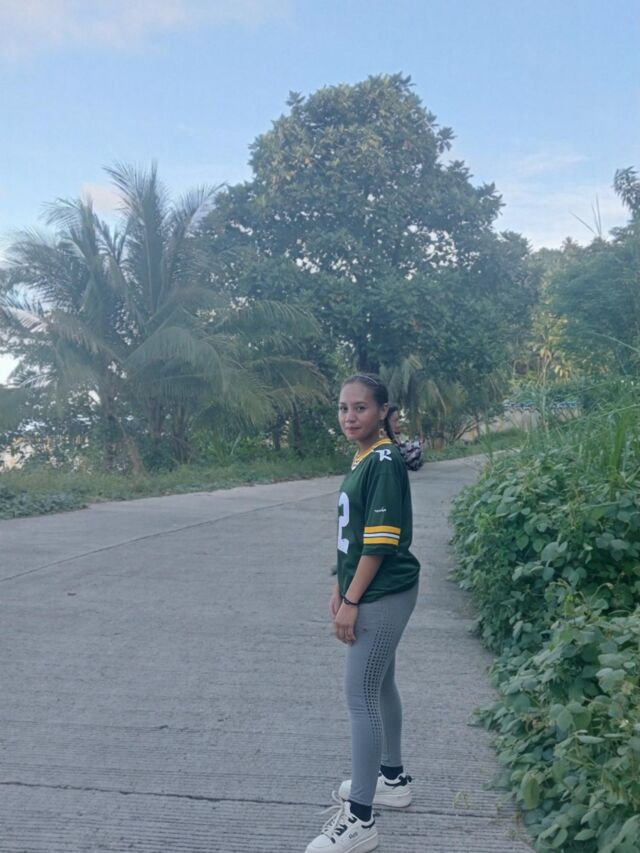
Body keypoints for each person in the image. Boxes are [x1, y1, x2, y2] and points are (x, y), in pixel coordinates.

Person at [305, 374, 421, 853]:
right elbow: (353, 535)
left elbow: (379, 543)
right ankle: (390, 778)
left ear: (383, 412)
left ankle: (360, 819)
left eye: (361, 408)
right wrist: (340, 583)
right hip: (369, 587)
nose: (350, 417)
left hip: (383, 591)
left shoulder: (385, 461)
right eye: (343, 408)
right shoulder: (365, 457)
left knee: (360, 694)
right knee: (380, 683)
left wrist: (352, 601)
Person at [387, 405, 424, 472]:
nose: (398, 425)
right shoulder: (387, 449)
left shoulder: (395, 444)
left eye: (398, 420)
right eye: (395, 421)